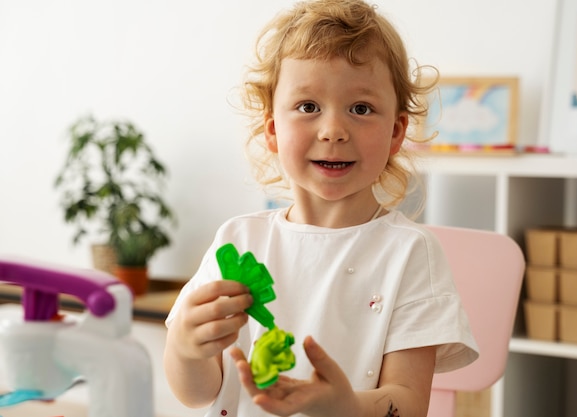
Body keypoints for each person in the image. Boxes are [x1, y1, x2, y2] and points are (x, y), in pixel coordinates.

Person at [163, 1, 479, 416]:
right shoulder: (238, 241)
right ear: (273, 129)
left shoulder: (409, 253)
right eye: (308, 107)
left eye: (361, 109)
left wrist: (345, 406)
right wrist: (185, 349)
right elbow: (198, 393)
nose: (333, 131)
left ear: (397, 132)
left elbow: (408, 404)